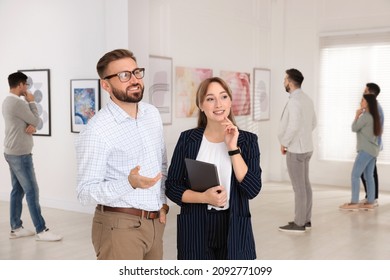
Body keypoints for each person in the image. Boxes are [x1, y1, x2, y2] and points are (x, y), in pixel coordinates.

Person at [75, 49, 169, 260]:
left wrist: (162, 204)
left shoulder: (151, 114)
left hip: (155, 222)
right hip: (119, 227)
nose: (134, 80)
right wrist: (129, 182)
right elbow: (84, 192)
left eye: (136, 72)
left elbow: (161, 165)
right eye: (124, 75)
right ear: (106, 85)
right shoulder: (96, 130)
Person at [165, 77, 262, 260]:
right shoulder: (187, 139)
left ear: (231, 101)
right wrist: (204, 197)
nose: (218, 104)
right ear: (201, 105)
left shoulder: (248, 141)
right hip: (195, 225)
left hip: (234, 226)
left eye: (223, 97)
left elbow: (252, 189)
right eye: (210, 99)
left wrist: (233, 149)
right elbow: (172, 187)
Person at [2, 72, 62, 241]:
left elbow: (30, 124)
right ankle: (41, 230)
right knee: (32, 191)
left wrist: (31, 126)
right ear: (21, 84)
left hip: (11, 151)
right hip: (20, 154)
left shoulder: (7, 101)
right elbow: (36, 120)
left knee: (18, 190)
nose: (27, 88)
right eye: (26, 85)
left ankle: (16, 228)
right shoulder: (18, 103)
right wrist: (32, 102)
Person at [278, 69, 317, 233]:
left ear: (290, 81)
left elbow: (293, 126)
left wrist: (285, 143)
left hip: (296, 149)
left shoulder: (294, 101)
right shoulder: (307, 99)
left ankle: (299, 223)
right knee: (305, 185)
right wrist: (304, 136)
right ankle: (306, 219)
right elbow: (313, 123)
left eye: (285, 79)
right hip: (307, 148)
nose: (284, 82)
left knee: (299, 188)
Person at [340, 94, 381, 211]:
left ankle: (354, 202)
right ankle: (371, 201)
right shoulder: (374, 116)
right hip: (373, 151)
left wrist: (356, 115)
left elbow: (354, 128)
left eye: (362, 100)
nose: (360, 102)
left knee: (355, 175)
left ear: (367, 103)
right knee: (369, 176)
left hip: (365, 150)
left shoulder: (365, 116)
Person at [360, 83, 383, 207]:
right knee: (368, 171)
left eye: (365, 90)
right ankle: (371, 197)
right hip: (368, 144)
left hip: (371, 145)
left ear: (371, 93)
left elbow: (377, 128)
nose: (363, 92)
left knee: (368, 171)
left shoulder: (376, 108)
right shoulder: (371, 106)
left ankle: (372, 198)